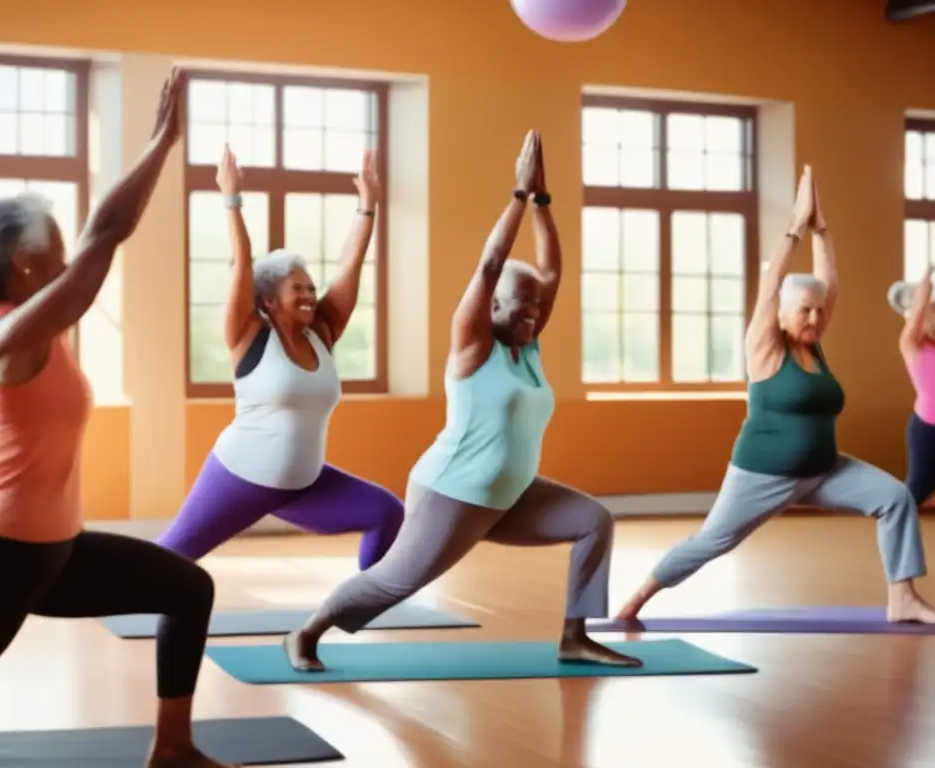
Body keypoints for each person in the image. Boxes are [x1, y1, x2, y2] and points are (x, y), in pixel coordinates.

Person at [0, 71, 237, 768]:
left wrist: (162, 143)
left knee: (187, 588)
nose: (72, 256)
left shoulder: (37, 325)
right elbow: (108, 236)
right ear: (28, 267)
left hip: (48, 554)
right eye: (57, 250)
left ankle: (172, 748)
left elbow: (97, 234)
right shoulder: (12, 339)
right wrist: (163, 143)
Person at [282, 130, 643, 672]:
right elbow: (491, 262)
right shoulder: (473, 344)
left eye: (534, 310)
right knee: (395, 580)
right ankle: (307, 633)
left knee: (594, 520)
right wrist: (518, 197)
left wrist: (545, 201)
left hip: (511, 492)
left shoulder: (527, 345)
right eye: (520, 308)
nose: (530, 316)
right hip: (454, 491)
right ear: (493, 304)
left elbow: (552, 273)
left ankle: (575, 635)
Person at [616, 166, 935, 625]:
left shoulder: (814, 344)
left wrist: (821, 227)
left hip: (824, 470)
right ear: (781, 314)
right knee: (711, 541)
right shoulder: (765, 347)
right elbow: (769, 287)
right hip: (762, 475)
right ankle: (635, 601)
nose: (814, 316)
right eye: (803, 309)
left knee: (895, 498)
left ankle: (902, 597)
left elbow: (831, 280)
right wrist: (794, 227)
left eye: (818, 310)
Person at [156, 145, 404, 567]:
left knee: (387, 512)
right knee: (169, 558)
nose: (310, 296)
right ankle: (103, 595)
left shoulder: (323, 333)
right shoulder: (248, 336)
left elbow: (351, 265)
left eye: (311, 288)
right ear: (268, 301)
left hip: (303, 486)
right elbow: (242, 268)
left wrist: (368, 208)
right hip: (237, 477)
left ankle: (358, 605)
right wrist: (232, 201)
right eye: (298, 290)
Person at [888, 267, 935, 508]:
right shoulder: (911, 346)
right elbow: (917, 314)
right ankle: (892, 520)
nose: (930, 317)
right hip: (927, 429)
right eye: (925, 313)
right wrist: (927, 274)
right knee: (917, 490)